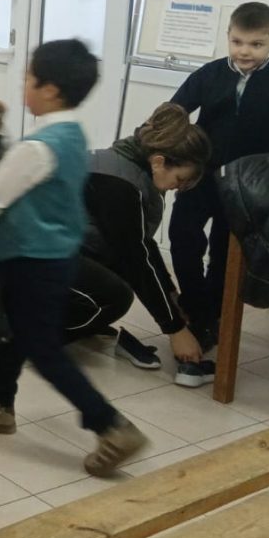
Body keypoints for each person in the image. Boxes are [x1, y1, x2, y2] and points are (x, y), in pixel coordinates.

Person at [0, 39, 148, 477]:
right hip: (55, 256)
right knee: (17, 332)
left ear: (50, 90)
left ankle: (110, 425)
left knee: (42, 348)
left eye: (29, 78)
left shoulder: (35, 149)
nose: (24, 84)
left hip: (29, 260)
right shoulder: (71, 135)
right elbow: (26, 174)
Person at [169, 2, 269, 351]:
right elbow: (173, 113)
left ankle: (212, 315)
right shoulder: (209, 74)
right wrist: (174, 155)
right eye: (237, 42)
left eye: (256, 44)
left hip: (246, 184)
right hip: (200, 175)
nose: (244, 51)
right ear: (228, 37)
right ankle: (194, 304)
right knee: (182, 236)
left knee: (226, 252)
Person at [85, 103, 214, 385]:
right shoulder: (118, 184)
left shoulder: (131, 167)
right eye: (180, 179)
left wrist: (171, 295)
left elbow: (141, 243)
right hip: (28, 264)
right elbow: (135, 260)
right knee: (116, 295)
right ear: (158, 161)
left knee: (119, 275)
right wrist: (175, 330)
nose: (179, 188)